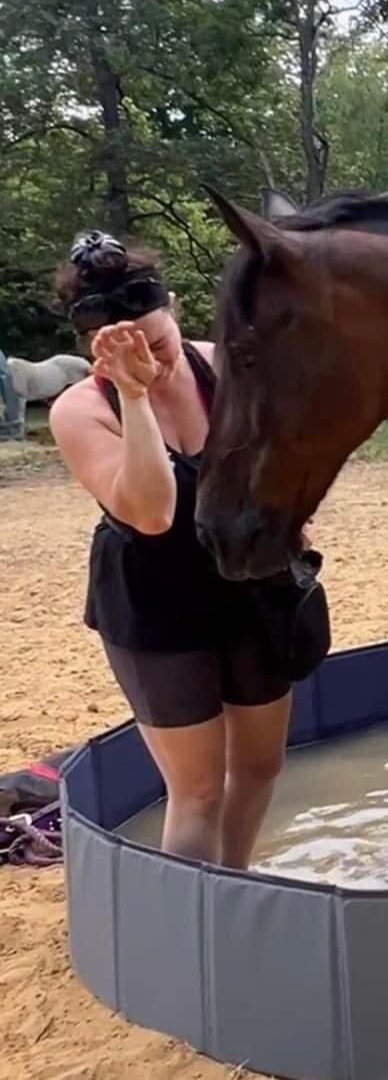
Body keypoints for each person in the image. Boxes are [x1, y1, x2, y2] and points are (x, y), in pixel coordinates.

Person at [48, 229, 294, 869]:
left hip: (246, 583)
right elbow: (152, 514)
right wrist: (134, 396)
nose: (152, 361)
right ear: (94, 349)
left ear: (176, 308)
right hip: (156, 603)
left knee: (262, 766)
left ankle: (232, 887)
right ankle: (195, 923)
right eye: (126, 350)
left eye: (158, 343)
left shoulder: (228, 365)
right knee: (199, 790)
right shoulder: (80, 409)